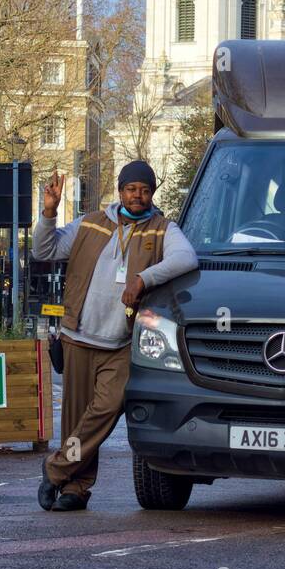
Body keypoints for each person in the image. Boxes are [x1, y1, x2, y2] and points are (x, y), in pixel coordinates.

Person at [32, 161, 198, 512]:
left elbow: (187, 258)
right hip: (79, 336)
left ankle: (56, 468)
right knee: (77, 421)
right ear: (120, 191)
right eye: (131, 188)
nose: (138, 195)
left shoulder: (162, 230)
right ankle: (75, 488)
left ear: (152, 193)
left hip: (122, 343)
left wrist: (143, 279)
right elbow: (43, 251)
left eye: (145, 190)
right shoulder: (90, 223)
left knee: (104, 411)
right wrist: (48, 213)